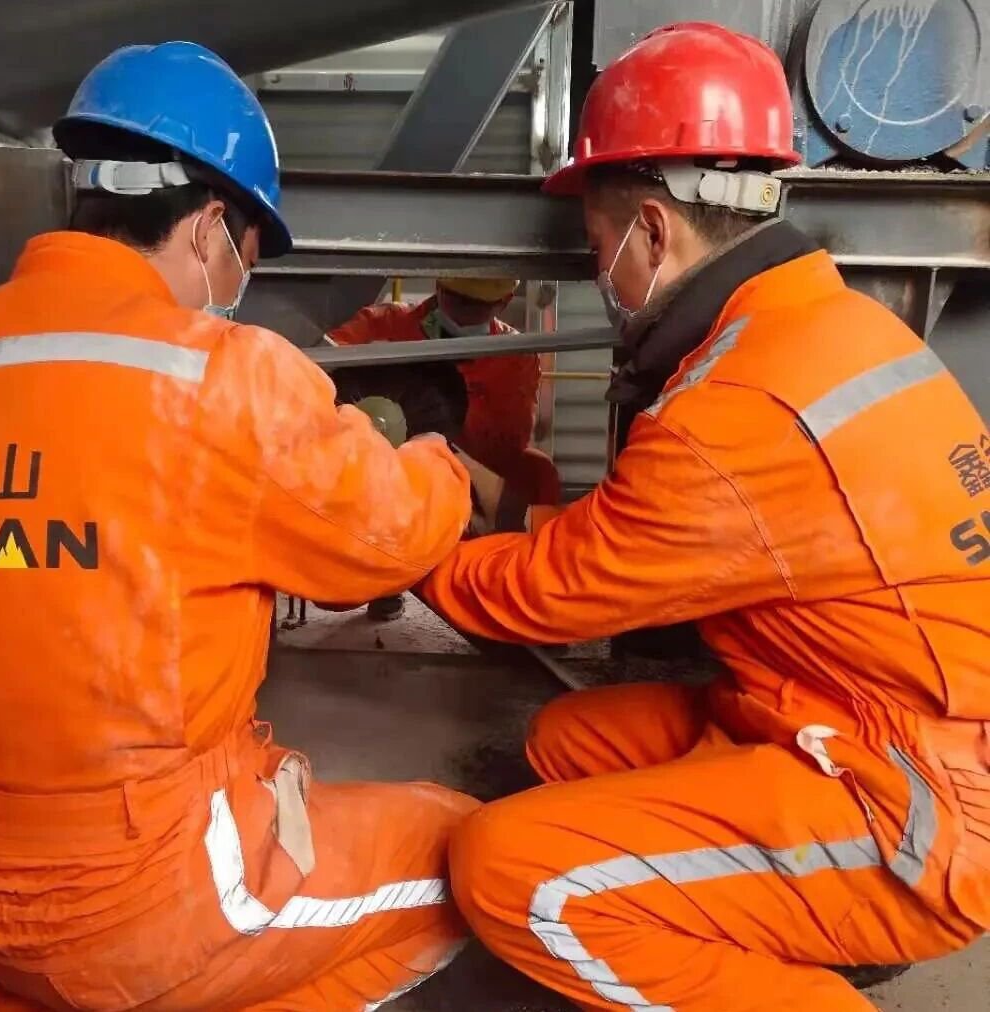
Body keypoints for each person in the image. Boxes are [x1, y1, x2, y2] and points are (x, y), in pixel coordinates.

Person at [422, 21, 990, 1012]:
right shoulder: (830, 326)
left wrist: (403, 534)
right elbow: (635, 536)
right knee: (564, 742)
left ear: (650, 230)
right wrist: (507, 501)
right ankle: (755, 928)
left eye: (596, 247)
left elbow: (546, 596)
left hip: (918, 804)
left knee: (506, 869)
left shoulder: (734, 407)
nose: (601, 273)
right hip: (841, 708)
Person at [0, 42, 477, 1012]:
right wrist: (440, 460)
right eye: (248, 252)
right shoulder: (220, 373)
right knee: (476, 856)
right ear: (213, 225)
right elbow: (393, 537)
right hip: (148, 901)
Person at [331, 277, 561, 620]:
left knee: (539, 473)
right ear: (438, 288)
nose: (464, 313)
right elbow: (317, 364)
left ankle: (529, 586)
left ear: (503, 302)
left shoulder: (515, 356)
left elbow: (511, 438)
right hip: (376, 467)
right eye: (456, 298)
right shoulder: (383, 325)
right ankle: (385, 579)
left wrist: (445, 423)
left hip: (462, 462)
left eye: (477, 305)